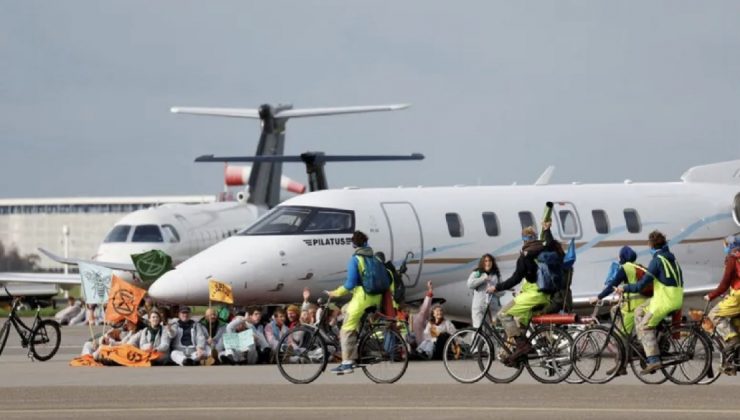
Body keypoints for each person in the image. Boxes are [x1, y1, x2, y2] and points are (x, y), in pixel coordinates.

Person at [616, 230, 683, 374]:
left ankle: (653, 360)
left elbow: (641, 285)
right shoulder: (672, 260)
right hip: (676, 298)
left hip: (664, 301)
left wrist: (625, 287)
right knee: (639, 311)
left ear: (651, 245)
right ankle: (651, 342)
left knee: (643, 327)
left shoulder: (657, 260)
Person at [489, 222, 557, 362]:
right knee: (522, 323)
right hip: (546, 295)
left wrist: (497, 287)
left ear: (524, 239)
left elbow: (516, 278)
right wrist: (547, 230)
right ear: (535, 237)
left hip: (533, 295)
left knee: (503, 314)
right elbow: (551, 244)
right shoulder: (544, 250)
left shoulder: (525, 256)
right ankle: (519, 356)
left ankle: (522, 346)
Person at [325, 230, 384, 375]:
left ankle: (346, 364)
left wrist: (335, 293)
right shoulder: (375, 258)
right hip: (375, 298)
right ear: (366, 243)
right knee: (345, 310)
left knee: (346, 329)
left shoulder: (356, 259)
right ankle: (356, 345)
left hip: (362, 299)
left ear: (353, 244)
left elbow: (350, 284)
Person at [590, 246, 650, 335]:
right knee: (614, 310)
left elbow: (612, 286)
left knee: (622, 336)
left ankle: (626, 343)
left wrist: (598, 297)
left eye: (619, 256)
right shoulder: (638, 266)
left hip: (634, 306)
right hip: (644, 301)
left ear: (622, 257)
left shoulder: (625, 268)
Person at [704, 235, 740, 374]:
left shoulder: (732, 258)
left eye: (725, 245)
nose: (724, 247)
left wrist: (711, 295)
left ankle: (732, 339)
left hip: (738, 296)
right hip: (735, 295)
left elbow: (724, 283)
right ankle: (733, 363)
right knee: (736, 323)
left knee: (714, 314)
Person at [467, 254, 502, 329]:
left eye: (490, 261)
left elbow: (502, 291)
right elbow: (470, 284)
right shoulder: (477, 273)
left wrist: (495, 289)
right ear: (482, 262)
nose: (488, 263)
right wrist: (483, 279)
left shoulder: (496, 275)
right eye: (486, 261)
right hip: (479, 306)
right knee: (478, 329)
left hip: (493, 307)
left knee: (495, 331)